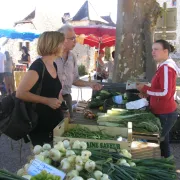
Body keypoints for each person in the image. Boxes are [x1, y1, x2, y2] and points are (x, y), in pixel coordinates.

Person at [16, 31, 65, 146]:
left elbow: (54, 91)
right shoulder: (38, 66)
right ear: (54, 45)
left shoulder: (54, 64)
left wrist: (63, 106)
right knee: (43, 159)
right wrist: (47, 101)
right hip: (39, 124)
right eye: (61, 43)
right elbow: (20, 93)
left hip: (54, 122)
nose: (63, 46)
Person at [136, 39, 178, 158]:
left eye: (156, 49)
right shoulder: (163, 66)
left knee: (156, 142)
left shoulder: (166, 68)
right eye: (152, 49)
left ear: (165, 51)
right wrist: (148, 93)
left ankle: (165, 167)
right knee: (163, 142)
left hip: (165, 113)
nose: (153, 52)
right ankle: (167, 166)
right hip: (162, 112)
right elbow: (160, 88)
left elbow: (165, 93)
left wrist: (145, 89)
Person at [55, 24, 102, 122]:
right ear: (63, 39)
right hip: (51, 100)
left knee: (68, 129)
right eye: (72, 38)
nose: (75, 41)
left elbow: (75, 80)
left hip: (67, 99)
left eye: (75, 38)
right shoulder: (49, 57)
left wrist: (90, 84)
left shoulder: (72, 57)